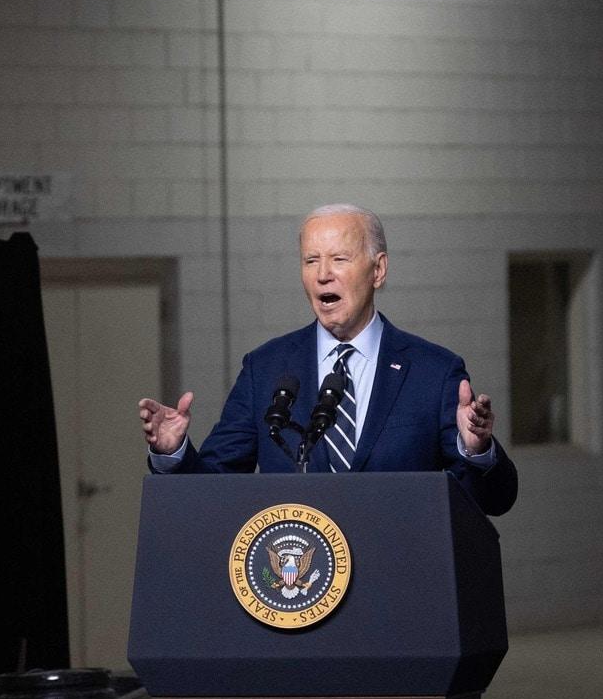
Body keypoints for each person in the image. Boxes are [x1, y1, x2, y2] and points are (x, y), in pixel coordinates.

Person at [138, 203, 517, 516]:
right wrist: (173, 453)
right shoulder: (265, 369)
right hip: (298, 579)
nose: (323, 275)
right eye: (310, 260)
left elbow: (493, 501)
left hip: (399, 575)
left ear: (378, 270)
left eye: (339, 259)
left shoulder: (433, 371)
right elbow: (212, 488)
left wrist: (477, 452)